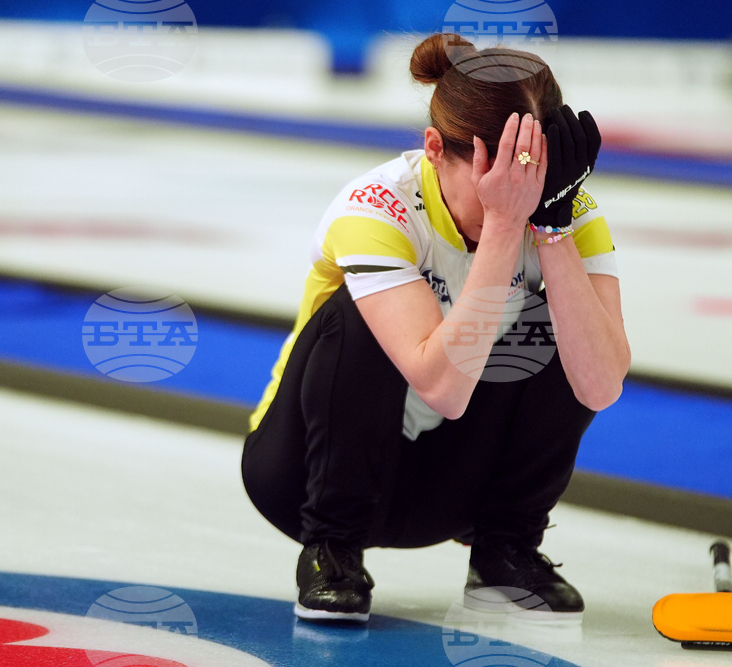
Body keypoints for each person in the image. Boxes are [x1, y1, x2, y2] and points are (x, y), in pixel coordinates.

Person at [241, 33, 630, 624]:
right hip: (302, 480)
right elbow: (440, 389)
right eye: (492, 181)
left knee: (568, 318)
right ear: (433, 149)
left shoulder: (565, 213)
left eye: (528, 180)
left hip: (441, 491)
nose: (515, 197)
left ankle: (505, 549)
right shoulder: (375, 207)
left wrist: (550, 231)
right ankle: (331, 550)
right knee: (354, 312)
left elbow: (599, 385)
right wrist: (505, 225)